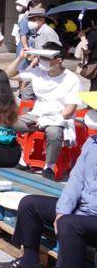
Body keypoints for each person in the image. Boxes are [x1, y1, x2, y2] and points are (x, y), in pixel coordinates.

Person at [0, 91, 97, 268]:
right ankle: (30, 259)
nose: (90, 114)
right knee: (30, 203)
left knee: (71, 223)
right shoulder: (92, 141)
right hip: (84, 210)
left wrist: (71, 216)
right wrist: (62, 210)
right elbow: (76, 179)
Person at [5, 43, 82, 179]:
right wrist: (20, 58)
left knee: (53, 133)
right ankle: (23, 157)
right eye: (41, 57)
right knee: (9, 122)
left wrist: (45, 121)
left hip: (58, 117)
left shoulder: (71, 79)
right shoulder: (38, 72)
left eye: (46, 58)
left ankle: (49, 167)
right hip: (36, 114)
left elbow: (69, 110)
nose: (42, 61)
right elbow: (8, 75)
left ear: (59, 60)